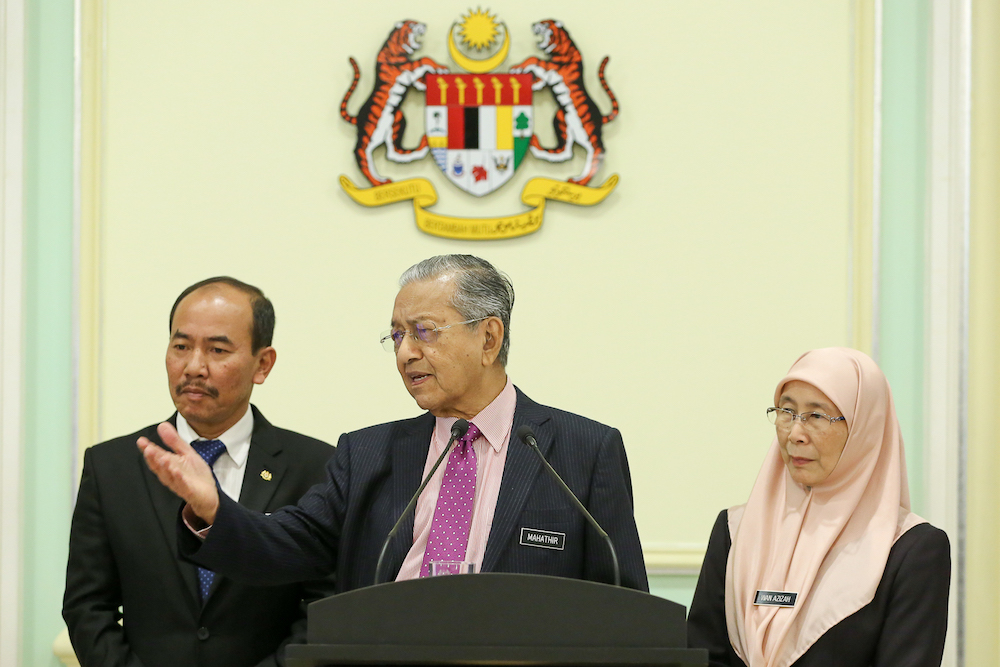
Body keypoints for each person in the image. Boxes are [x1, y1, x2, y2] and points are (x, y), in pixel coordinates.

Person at [139, 255, 648, 593]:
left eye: (424, 332)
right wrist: (213, 508)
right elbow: (288, 547)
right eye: (397, 335)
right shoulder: (368, 454)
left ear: (488, 338)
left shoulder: (581, 450)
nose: (406, 353)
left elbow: (626, 608)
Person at [63, 277, 336, 667]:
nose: (194, 366)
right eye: (181, 346)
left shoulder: (316, 468)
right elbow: (87, 607)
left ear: (263, 364)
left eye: (218, 349)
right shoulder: (112, 466)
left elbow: (322, 608)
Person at [687, 347, 950, 666]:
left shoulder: (910, 549)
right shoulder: (735, 530)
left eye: (816, 416)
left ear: (862, 428)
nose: (796, 434)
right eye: (787, 412)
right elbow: (701, 655)